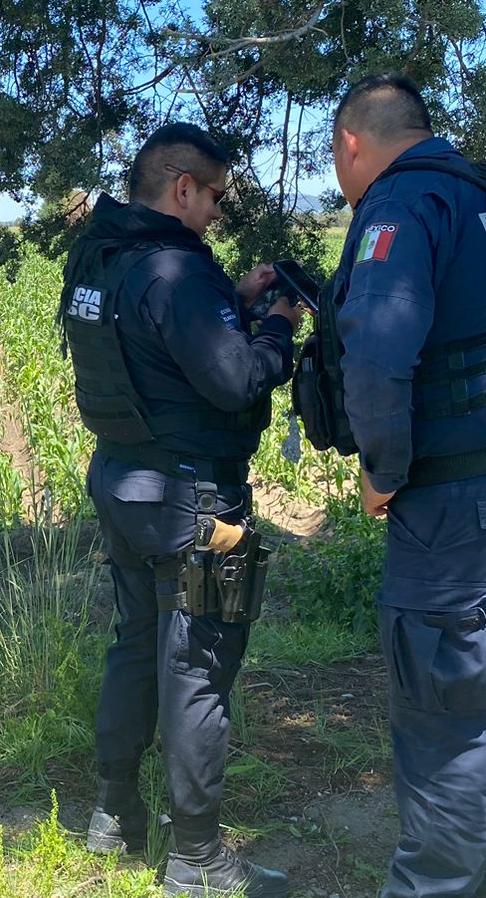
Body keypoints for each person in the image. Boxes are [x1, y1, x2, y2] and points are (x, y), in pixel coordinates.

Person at [314, 74, 486, 898]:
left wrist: (380, 471)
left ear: (352, 144)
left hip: (466, 511)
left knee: (448, 723)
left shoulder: (403, 206)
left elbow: (377, 351)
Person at [58, 123, 302, 898]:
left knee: (136, 645)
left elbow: (151, 343)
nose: (218, 215)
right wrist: (275, 329)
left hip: (122, 483)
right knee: (198, 666)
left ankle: (116, 816)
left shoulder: (104, 256)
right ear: (183, 187)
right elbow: (234, 383)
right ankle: (197, 859)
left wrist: (231, 300)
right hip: (193, 500)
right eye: (217, 198)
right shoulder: (177, 270)